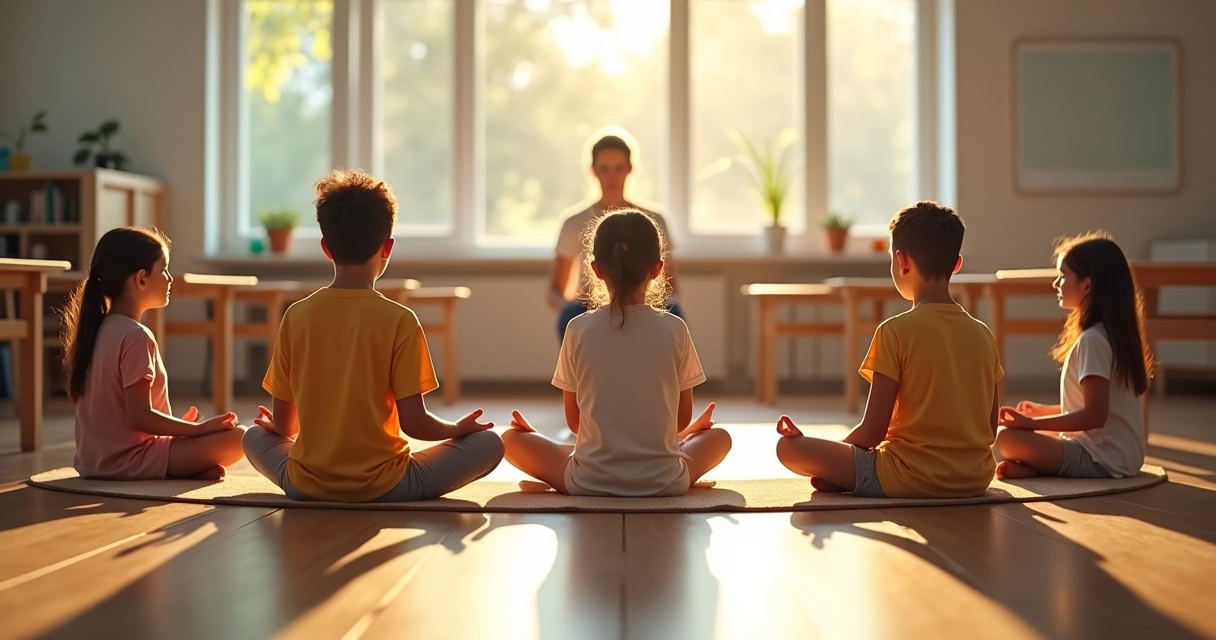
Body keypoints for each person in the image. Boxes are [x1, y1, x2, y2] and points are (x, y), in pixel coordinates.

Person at [243, 170, 504, 502]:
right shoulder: (400, 319)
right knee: (490, 443)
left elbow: (285, 429)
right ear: (387, 247)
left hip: (305, 484)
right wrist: (457, 430)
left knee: (252, 435)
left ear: (326, 247)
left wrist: (272, 427)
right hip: (388, 486)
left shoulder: (295, 316)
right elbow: (416, 423)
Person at [775, 201, 1002, 499]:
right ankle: (843, 475)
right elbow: (990, 427)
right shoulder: (983, 334)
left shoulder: (894, 331)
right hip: (974, 478)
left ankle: (844, 477)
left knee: (789, 448)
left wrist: (835, 454)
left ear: (902, 263)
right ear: (956, 264)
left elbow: (871, 433)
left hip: (904, 477)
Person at [506, 209, 731, 496]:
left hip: (588, 481)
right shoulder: (676, 328)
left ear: (596, 270)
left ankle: (576, 459)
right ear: (658, 269)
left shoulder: (576, 328)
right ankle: (677, 450)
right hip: (665, 481)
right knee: (720, 438)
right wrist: (687, 435)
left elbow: (575, 424)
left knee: (513, 440)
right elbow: (680, 420)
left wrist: (537, 439)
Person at [64, 227, 245, 480]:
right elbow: (141, 418)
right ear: (141, 279)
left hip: (93, 462)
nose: (170, 278)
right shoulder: (135, 336)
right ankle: (179, 469)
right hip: (132, 462)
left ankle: (187, 468)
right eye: (164, 270)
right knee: (240, 437)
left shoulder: (95, 330)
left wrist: (177, 430)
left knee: (219, 442)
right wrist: (196, 429)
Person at [995, 231, 1152, 480]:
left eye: (1063, 276)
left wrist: (1031, 425)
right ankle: (1038, 466)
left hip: (1102, 459)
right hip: (1123, 456)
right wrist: (1041, 412)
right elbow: (1097, 406)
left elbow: (1094, 416)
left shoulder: (1092, 341)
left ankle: (1040, 468)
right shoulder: (1111, 336)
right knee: (1023, 436)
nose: (1056, 284)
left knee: (1005, 437)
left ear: (1087, 285)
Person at [549, 134, 682, 342]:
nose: (612, 177)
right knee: (569, 318)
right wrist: (578, 313)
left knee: (676, 315)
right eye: (604, 169)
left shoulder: (655, 219)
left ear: (630, 169)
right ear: (593, 171)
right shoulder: (573, 223)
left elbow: (672, 287)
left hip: (644, 303)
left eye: (619, 168)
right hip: (590, 307)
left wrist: (644, 308)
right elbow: (554, 292)